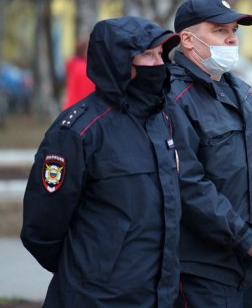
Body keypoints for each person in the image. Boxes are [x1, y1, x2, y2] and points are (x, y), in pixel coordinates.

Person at [21, 16, 183, 307]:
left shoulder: (162, 120)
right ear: (118, 62)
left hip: (159, 296)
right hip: (95, 298)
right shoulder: (78, 130)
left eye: (161, 54)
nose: (159, 63)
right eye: (147, 54)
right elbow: (42, 228)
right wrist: (90, 272)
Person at [169, 0, 252, 308]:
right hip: (200, 268)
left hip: (246, 267)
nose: (231, 38)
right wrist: (246, 238)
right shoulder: (172, 96)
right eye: (219, 30)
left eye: (234, 30)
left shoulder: (240, 92)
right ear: (187, 39)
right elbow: (188, 184)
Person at [62, 39, 95, 109]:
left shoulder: (73, 64)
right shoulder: (85, 69)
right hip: (82, 109)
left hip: (69, 107)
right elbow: (89, 91)